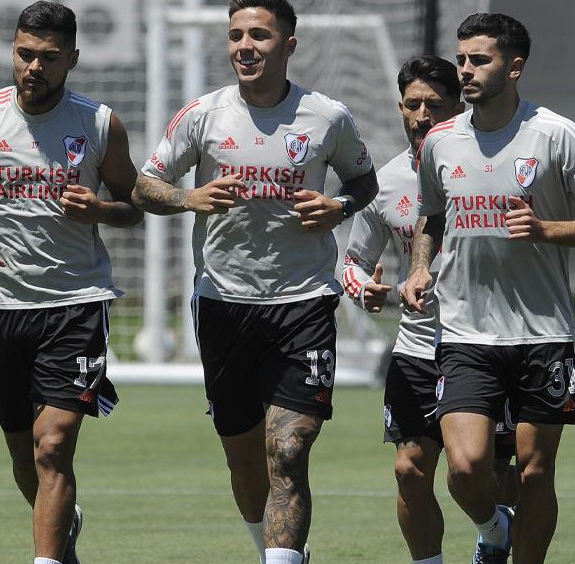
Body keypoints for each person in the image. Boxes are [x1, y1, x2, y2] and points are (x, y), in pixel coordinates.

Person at [131, 1, 378, 563]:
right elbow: (147, 185)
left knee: (288, 449)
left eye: (259, 35)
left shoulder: (326, 116)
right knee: (244, 460)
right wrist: (186, 197)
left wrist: (338, 205)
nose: (245, 45)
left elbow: (362, 180)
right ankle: (275, 549)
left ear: (289, 44)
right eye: (236, 35)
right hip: (223, 303)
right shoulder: (203, 114)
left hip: (304, 302)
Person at [0, 3, 142, 563]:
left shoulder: (99, 123)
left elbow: (133, 206)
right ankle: (62, 527)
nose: (34, 67)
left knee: (55, 445)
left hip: (76, 303)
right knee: (25, 457)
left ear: (72, 58)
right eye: (26, 54)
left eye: (49, 58)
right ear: (14, 51)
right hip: (3, 306)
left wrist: (99, 209)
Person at [399, 13, 575, 564]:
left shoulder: (555, 135)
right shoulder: (440, 141)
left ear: (514, 67)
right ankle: (492, 529)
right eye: (461, 59)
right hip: (464, 332)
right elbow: (430, 218)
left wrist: (547, 230)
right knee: (465, 468)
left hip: (543, 330)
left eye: (478, 59)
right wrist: (420, 269)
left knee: (535, 470)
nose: (465, 70)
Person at [341, 55, 519, 564]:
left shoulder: (489, 165)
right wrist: (364, 290)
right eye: (413, 104)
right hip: (416, 347)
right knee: (409, 470)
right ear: (399, 107)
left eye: (435, 105)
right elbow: (353, 262)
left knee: (486, 471)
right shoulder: (386, 183)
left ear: (458, 106)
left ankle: (493, 531)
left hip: (486, 342)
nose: (422, 115)